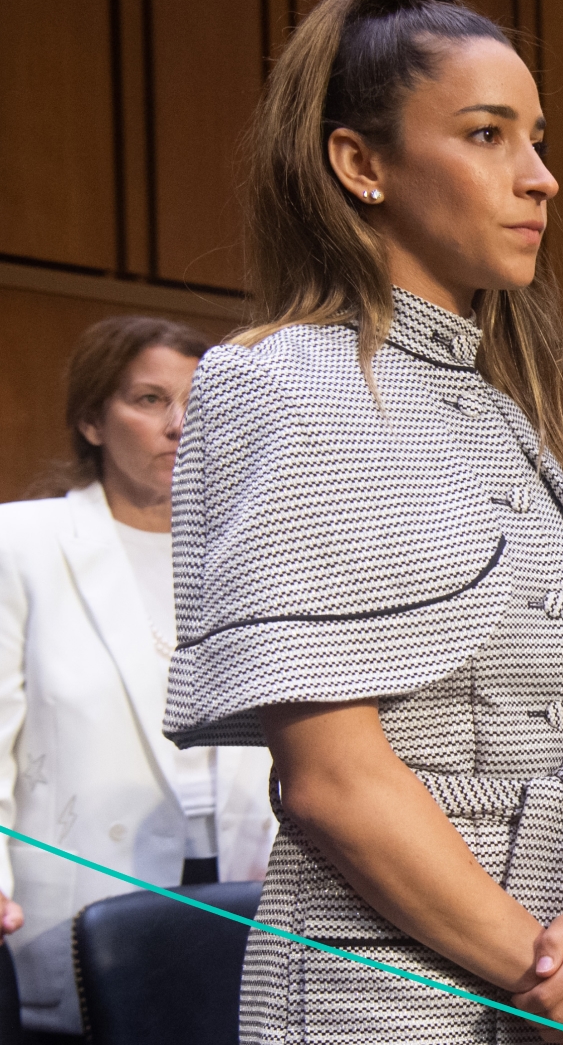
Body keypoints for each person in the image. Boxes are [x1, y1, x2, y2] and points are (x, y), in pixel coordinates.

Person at [160, 0, 563, 1042]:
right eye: (489, 135)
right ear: (361, 164)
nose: (542, 180)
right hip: (389, 1004)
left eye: (537, 139)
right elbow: (334, 784)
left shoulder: (511, 413)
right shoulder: (280, 382)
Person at [0, 316, 277, 1042]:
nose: (179, 425)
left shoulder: (250, 552)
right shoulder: (22, 543)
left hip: (245, 879)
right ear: (92, 419)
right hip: (84, 880)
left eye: (195, 401)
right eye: (149, 400)